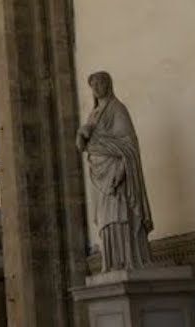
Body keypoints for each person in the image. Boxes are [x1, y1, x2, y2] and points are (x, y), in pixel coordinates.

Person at [76, 71, 153, 272]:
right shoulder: (93, 114)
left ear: (108, 85)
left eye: (100, 83)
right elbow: (84, 145)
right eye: (93, 84)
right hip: (98, 175)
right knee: (106, 219)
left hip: (117, 173)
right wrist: (81, 135)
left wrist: (120, 170)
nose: (96, 87)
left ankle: (128, 259)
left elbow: (129, 144)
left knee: (120, 216)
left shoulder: (117, 109)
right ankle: (111, 262)